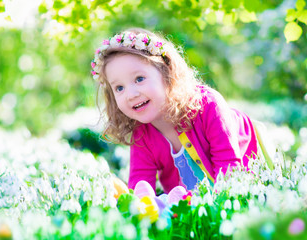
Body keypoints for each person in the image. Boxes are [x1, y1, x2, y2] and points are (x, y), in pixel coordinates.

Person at [91, 28, 263, 194]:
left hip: (243, 193)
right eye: (119, 87)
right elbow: (140, 187)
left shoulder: (208, 106)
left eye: (139, 79)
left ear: (166, 72)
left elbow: (229, 171)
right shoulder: (142, 134)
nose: (131, 94)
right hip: (192, 211)